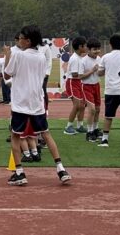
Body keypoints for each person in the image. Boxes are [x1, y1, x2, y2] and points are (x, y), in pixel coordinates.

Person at [4, 25, 71, 186]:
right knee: (46, 133)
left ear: (28, 41)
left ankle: (19, 172)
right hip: (37, 101)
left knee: (15, 135)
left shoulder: (18, 55)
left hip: (20, 102)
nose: (18, 41)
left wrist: (7, 55)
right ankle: (61, 169)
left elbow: (6, 74)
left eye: (21, 38)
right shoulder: (41, 57)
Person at [98, 34, 120, 148]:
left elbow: (100, 73)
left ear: (110, 44)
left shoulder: (105, 57)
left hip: (110, 90)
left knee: (108, 116)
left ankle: (104, 139)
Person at [63, 37, 88, 135]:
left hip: (79, 83)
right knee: (77, 105)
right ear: (80, 47)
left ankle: (80, 126)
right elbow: (74, 75)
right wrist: (89, 73)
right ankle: (68, 127)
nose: (86, 47)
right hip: (72, 82)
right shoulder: (74, 58)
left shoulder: (80, 57)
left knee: (82, 105)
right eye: (84, 46)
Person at [80, 39, 103, 140]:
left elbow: (100, 73)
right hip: (87, 86)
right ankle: (89, 132)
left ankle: (95, 129)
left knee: (97, 109)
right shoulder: (83, 61)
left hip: (96, 85)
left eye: (98, 49)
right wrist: (92, 71)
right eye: (94, 49)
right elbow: (80, 76)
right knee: (92, 109)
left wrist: (101, 72)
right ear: (88, 50)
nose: (97, 51)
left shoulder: (100, 59)